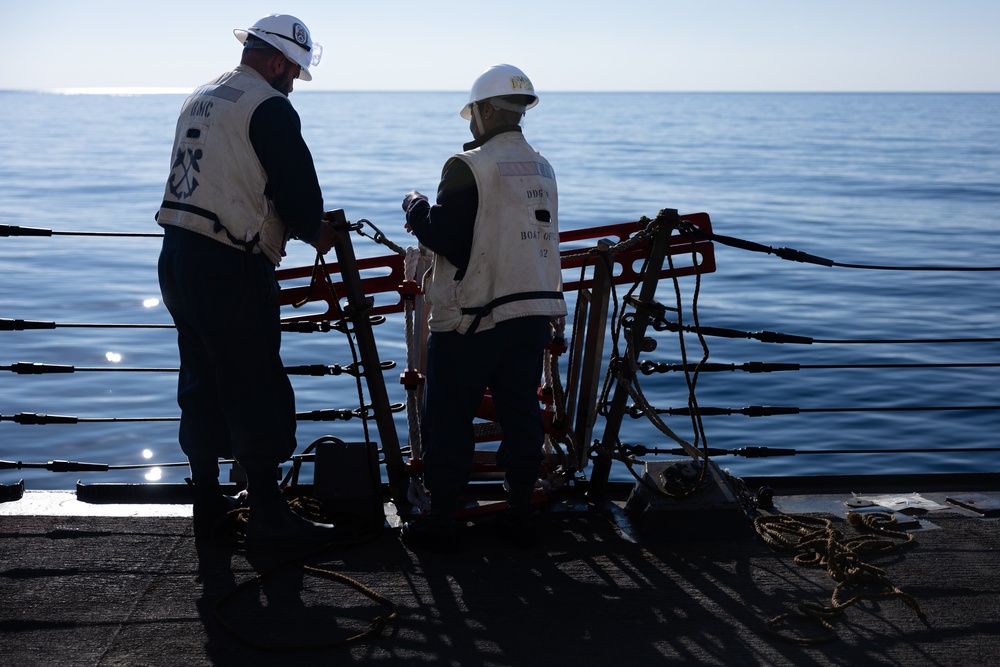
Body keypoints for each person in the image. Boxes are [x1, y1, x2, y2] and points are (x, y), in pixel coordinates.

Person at [156, 14, 340, 551]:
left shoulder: (203, 95)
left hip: (178, 255)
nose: (292, 84)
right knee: (252, 383)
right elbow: (298, 193)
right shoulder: (269, 106)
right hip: (229, 265)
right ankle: (268, 518)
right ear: (279, 60)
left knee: (200, 381)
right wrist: (316, 230)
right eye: (293, 73)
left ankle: (208, 506)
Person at [400, 64, 566, 552]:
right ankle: (519, 511)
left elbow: (446, 236)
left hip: (474, 314)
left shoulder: (467, 165)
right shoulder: (542, 166)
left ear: (489, 110)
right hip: (531, 310)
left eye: (474, 112)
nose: (471, 122)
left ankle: (442, 517)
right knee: (520, 410)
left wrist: (413, 208)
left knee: (448, 415)